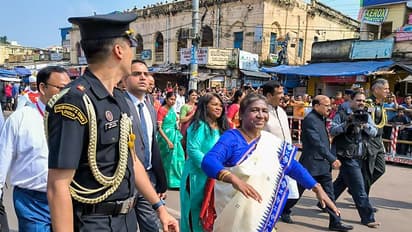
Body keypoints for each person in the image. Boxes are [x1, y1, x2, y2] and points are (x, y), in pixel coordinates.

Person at [45, 13, 178, 232]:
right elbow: (58, 185)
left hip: (124, 219)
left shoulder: (118, 99)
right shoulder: (75, 101)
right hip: (92, 222)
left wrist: (160, 207)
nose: (132, 52)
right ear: (119, 50)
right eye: (131, 44)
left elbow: (131, 159)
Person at [201, 93, 340, 232]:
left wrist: (317, 188)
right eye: (254, 110)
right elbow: (209, 161)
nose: (261, 115)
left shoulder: (271, 142)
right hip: (232, 218)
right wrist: (234, 180)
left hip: (260, 217)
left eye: (264, 111)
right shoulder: (232, 138)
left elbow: (291, 165)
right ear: (241, 115)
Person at [0, 66, 71, 231]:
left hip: (67, 196)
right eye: (60, 88)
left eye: (68, 88)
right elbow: (3, 157)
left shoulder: (73, 118)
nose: (66, 93)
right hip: (32, 201)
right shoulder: (21, 119)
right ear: (42, 88)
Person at [123, 59, 168, 232]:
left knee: (153, 227)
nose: (143, 77)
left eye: (145, 74)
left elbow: (153, 145)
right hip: (126, 180)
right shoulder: (119, 104)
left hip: (148, 179)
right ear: (125, 79)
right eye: (136, 74)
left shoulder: (149, 106)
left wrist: (161, 181)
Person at [297, 95, 353, 232]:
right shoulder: (310, 120)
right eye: (326, 105)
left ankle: (335, 221)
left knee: (329, 193)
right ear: (316, 106)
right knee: (296, 192)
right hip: (311, 164)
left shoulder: (320, 118)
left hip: (322, 165)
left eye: (330, 105)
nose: (330, 107)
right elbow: (317, 144)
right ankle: (283, 210)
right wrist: (332, 158)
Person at [180, 93, 229, 232]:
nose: (218, 108)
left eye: (220, 105)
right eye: (214, 104)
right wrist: (213, 168)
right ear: (205, 106)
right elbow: (193, 150)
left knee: (210, 213)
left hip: (215, 178)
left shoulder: (222, 128)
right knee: (194, 212)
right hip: (197, 176)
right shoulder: (199, 125)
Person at [331, 91, 381, 228]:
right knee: (360, 188)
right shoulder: (342, 113)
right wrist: (347, 124)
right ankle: (368, 217)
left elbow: (374, 132)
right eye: (358, 100)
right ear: (351, 100)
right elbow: (332, 130)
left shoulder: (365, 115)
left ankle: (326, 202)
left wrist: (364, 125)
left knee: (341, 182)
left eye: (363, 101)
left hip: (361, 157)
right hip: (347, 156)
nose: (361, 103)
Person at [261, 80, 299, 224]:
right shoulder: (262, 112)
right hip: (270, 159)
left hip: (287, 157)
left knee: (293, 193)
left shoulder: (281, 111)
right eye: (279, 93)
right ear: (269, 95)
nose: (282, 96)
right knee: (270, 192)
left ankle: (283, 211)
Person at [364, 78, 390, 195]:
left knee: (380, 169)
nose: (387, 91)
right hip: (370, 140)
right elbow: (368, 122)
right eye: (385, 88)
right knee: (369, 170)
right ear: (376, 89)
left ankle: (360, 188)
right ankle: (363, 197)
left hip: (378, 140)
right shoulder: (369, 103)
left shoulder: (381, 103)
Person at [157, 92, 185, 189]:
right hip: (165, 138)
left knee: (178, 158)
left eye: (174, 100)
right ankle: (166, 181)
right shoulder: (162, 110)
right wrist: (168, 141)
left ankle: (177, 181)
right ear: (166, 99)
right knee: (167, 160)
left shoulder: (172, 110)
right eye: (171, 99)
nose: (173, 101)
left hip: (175, 136)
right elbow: (159, 128)